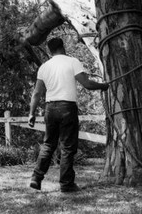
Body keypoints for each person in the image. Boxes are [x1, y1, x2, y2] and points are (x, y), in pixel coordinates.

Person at [28, 37, 109, 193]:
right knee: (67, 147)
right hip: (67, 108)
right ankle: (66, 184)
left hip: (50, 108)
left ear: (50, 50)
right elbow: (87, 84)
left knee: (48, 145)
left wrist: (31, 113)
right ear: (62, 47)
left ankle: (36, 178)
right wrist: (104, 86)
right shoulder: (72, 62)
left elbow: (37, 93)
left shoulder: (44, 67)